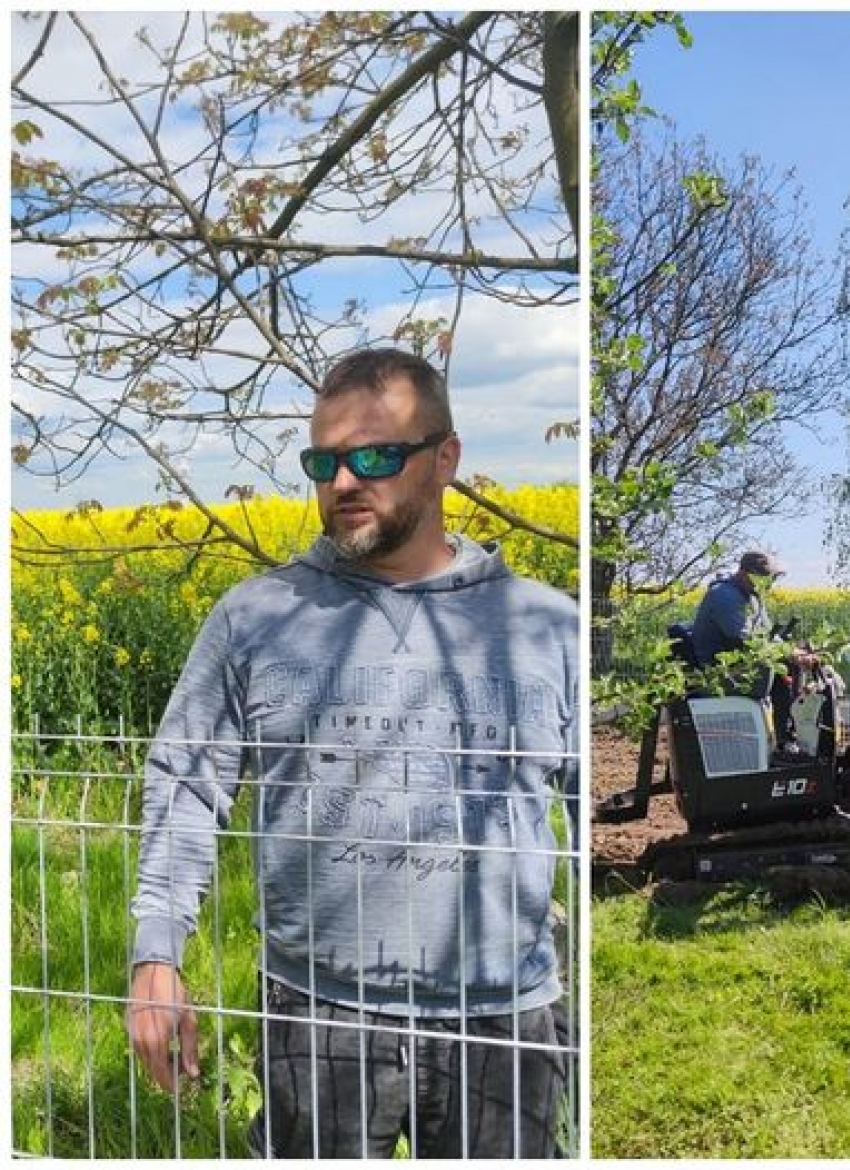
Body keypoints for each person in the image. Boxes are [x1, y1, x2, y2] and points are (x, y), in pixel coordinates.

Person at [126, 347, 578, 1159]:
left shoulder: (547, 628)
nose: (343, 482)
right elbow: (184, 786)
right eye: (324, 461)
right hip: (316, 1013)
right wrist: (156, 956)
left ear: (446, 459)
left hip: (506, 1013)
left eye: (373, 456)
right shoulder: (255, 619)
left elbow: (594, 829)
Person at [690, 551, 814, 738]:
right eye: (764, 578)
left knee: (787, 670)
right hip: (718, 676)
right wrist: (790, 654)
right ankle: (784, 741)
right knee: (779, 669)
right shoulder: (724, 596)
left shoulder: (751, 595)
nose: (768, 584)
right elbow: (749, 641)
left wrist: (796, 652)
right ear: (744, 574)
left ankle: (786, 738)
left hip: (739, 668)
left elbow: (768, 636)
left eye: (770, 579)